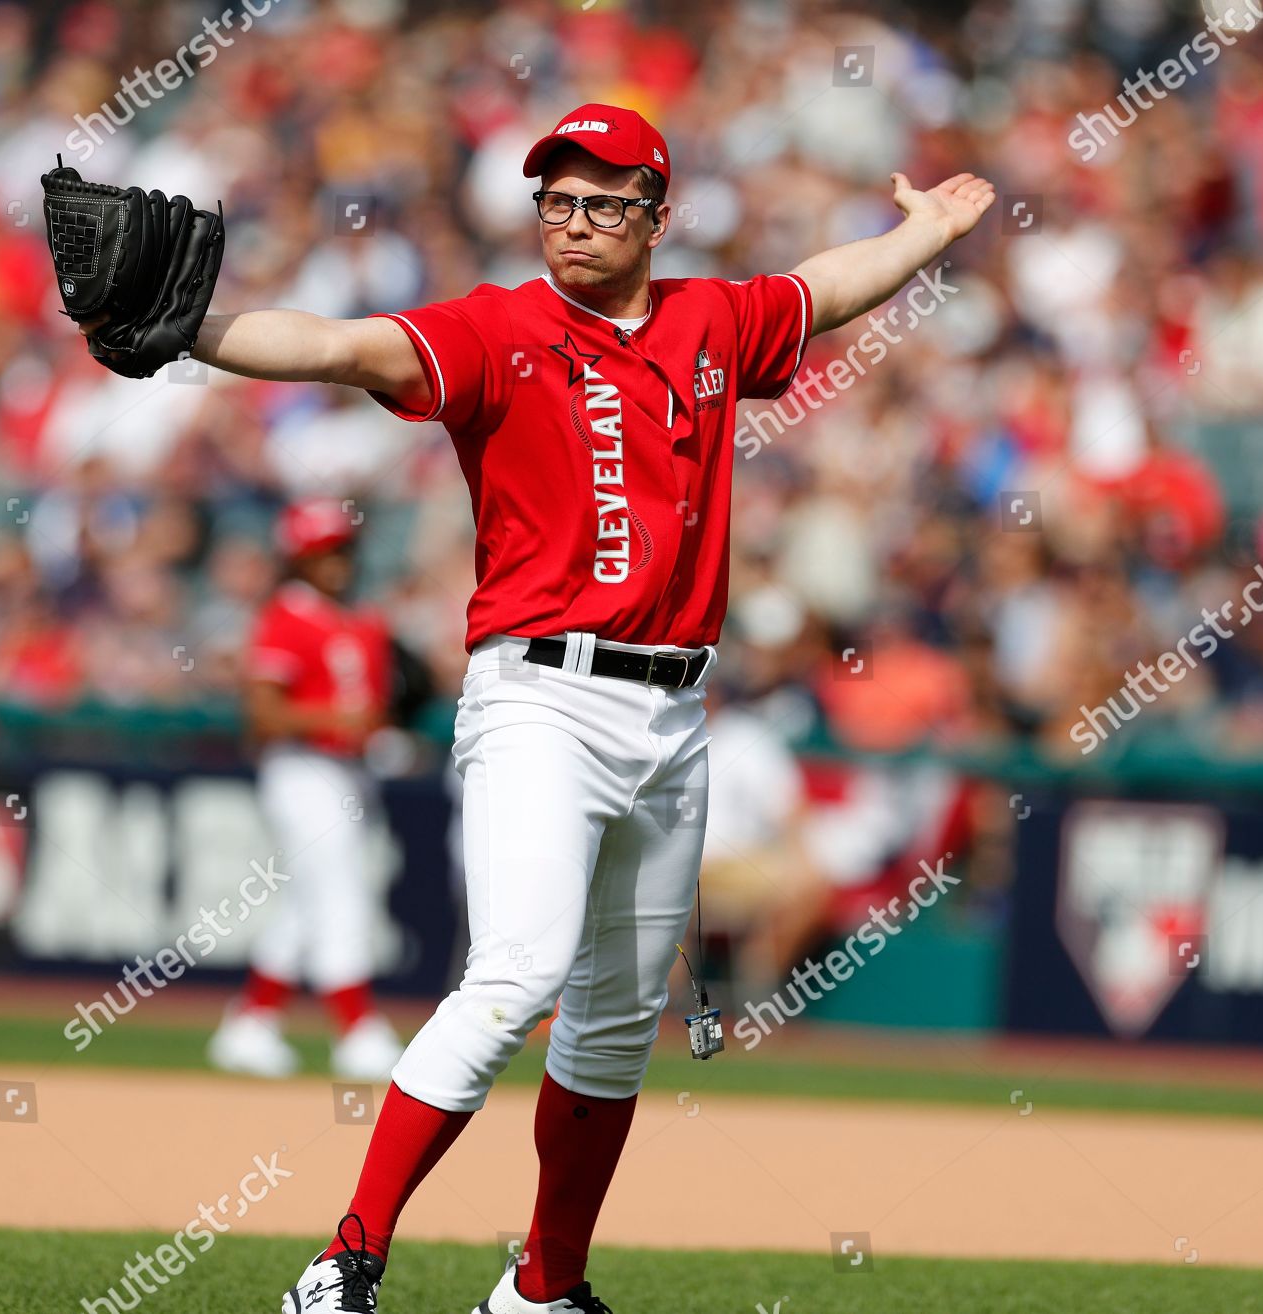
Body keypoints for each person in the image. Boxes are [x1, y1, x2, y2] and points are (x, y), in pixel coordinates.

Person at [82, 101, 994, 1314]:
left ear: (656, 218)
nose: (573, 222)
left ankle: (540, 1288)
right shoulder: (500, 329)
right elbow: (340, 346)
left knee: (616, 1026)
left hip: (675, 714)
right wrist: (192, 329)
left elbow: (823, 288)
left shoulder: (711, 318)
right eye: (556, 199)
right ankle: (344, 1260)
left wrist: (925, 235)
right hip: (541, 699)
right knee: (515, 974)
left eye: (604, 201)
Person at [207, 496, 404, 1083]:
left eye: (343, 548)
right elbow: (262, 714)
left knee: (306, 902)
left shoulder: (363, 618)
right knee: (341, 893)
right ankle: (357, 1030)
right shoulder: (286, 615)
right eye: (323, 552)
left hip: (348, 771)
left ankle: (251, 1023)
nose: (337, 561)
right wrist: (338, 722)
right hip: (301, 770)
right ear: (297, 559)